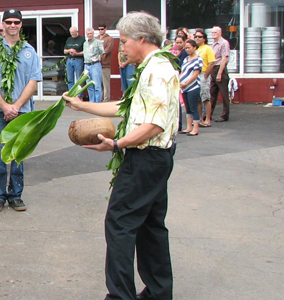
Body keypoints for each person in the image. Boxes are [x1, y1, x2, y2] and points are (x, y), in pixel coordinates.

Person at [63, 11, 179, 300]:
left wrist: (117, 144)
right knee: (151, 227)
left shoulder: (156, 71)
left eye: (125, 41)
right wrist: (82, 106)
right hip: (156, 160)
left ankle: (120, 296)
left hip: (145, 159)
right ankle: (158, 293)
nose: (121, 47)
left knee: (119, 224)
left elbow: (154, 125)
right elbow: (125, 107)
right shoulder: (153, 67)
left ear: (142, 39)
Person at [0, 9, 42, 212]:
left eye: (16, 22)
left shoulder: (29, 51)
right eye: (8, 22)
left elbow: (33, 82)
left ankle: (15, 195)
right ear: (3, 24)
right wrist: (4, 106)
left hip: (22, 111)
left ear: (21, 25)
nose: (12, 25)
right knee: (0, 155)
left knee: (18, 154)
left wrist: (15, 106)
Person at [179, 39, 203, 136]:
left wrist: (186, 83)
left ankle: (195, 128)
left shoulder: (198, 59)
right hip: (184, 87)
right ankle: (189, 127)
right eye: (186, 48)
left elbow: (195, 74)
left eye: (189, 48)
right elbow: (183, 71)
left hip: (193, 87)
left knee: (194, 108)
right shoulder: (185, 59)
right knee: (188, 108)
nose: (187, 50)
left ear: (194, 47)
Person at [194, 29, 215, 127]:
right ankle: (200, 119)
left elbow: (212, 62)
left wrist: (206, 75)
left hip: (203, 73)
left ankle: (208, 119)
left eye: (199, 37)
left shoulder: (207, 48)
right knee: (198, 98)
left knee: (205, 97)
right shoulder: (195, 49)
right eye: (196, 36)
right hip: (196, 74)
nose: (197, 38)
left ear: (204, 39)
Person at [210, 26, 230, 122]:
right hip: (213, 69)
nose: (213, 34)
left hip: (220, 68)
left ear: (220, 33)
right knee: (212, 93)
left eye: (215, 32)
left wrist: (220, 73)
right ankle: (208, 114)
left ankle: (225, 115)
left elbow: (224, 58)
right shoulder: (213, 44)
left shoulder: (224, 43)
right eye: (212, 33)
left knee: (224, 93)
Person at [83, 27, 105, 103]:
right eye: (88, 34)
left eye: (91, 33)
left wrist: (98, 60)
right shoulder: (85, 43)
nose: (89, 35)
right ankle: (91, 101)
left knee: (97, 85)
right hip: (86, 65)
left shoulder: (98, 42)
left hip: (95, 65)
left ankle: (97, 102)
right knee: (89, 85)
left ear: (93, 34)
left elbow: (103, 53)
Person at [64, 26, 85, 99]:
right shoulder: (69, 39)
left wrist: (77, 53)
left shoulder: (82, 39)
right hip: (69, 60)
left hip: (78, 60)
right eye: (71, 33)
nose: (72, 34)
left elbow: (85, 51)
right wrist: (69, 50)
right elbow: (64, 51)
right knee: (70, 79)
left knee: (79, 79)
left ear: (77, 31)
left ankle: (80, 96)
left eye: (73, 32)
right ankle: (71, 95)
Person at [97, 23, 114, 102]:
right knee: (98, 83)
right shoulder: (96, 38)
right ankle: (99, 98)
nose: (100, 31)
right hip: (96, 65)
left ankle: (106, 99)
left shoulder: (109, 39)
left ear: (105, 29)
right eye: (99, 29)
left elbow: (107, 50)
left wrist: (100, 56)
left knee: (106, 83)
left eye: (102, 29)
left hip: (105, 64)